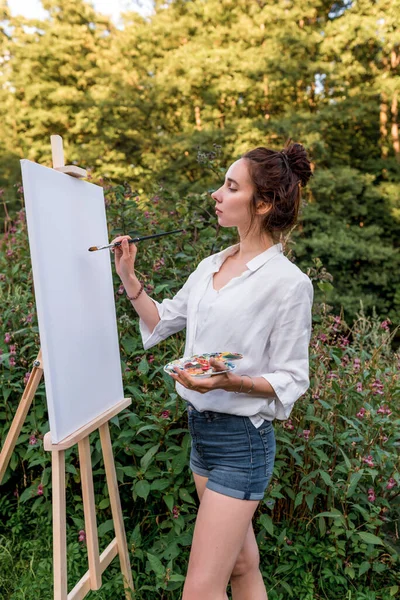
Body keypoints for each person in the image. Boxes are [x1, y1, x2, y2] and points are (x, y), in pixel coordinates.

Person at [111, 141, 314, 600]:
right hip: (202, 434)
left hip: (242, 442)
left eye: (230, 186)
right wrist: (128, 275)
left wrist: (230, 382)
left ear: (262, 204)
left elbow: (291, 377)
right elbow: (164, 321)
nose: (216, 194)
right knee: (241, 567)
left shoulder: (289, 284)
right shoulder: (211, 265)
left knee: (199, 590)